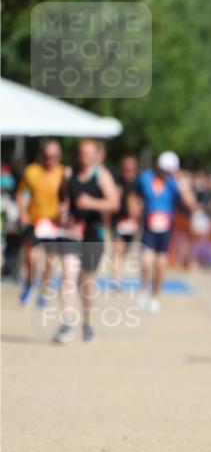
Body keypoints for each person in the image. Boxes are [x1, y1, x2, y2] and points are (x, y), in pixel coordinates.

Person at [52, 139, 121, 343]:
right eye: (82, 152)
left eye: (89, 152)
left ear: (96, 155)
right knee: (67, 275)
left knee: (87, 281)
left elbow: (114, 203)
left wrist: (92, 203)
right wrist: (63, 209)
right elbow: (64, 198)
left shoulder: (102, 175)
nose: (84, 156)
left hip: (93, 232)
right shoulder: (68, 173)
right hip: (71, 230)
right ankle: (67, 322)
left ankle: (88, 321)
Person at [136, 151, 201, 314]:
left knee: (160, 265)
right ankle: (144, 288)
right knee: (146, 261)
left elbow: (191, 203)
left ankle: (155, 296)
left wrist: (181, 183)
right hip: (149, 227)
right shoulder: (145, 178)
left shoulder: (175, 183)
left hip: (165, 229)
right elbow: (135, 196)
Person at [15, 140, 67, 308]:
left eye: (52, 156)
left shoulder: (63, 173)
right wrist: (22, 213)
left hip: (53, 222)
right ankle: (29, 283)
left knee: (50, 260)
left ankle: (44, 291)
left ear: (58, 157)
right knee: (31, 256)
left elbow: (68, 197)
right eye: (46, 156)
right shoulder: (32, 171)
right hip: (34, 220)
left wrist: (65, 210)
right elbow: (20, 194)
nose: (49, 159)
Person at [110, 155, 141, 290]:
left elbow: (142, 202)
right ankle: (116, 279)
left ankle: (119, 275)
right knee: (118, 249)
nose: (129, 171)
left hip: (133, 222)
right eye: (126, 168)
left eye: (132, 169)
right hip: (119, 220)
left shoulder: (139, 184)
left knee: (125, 251)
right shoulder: (117, 181)